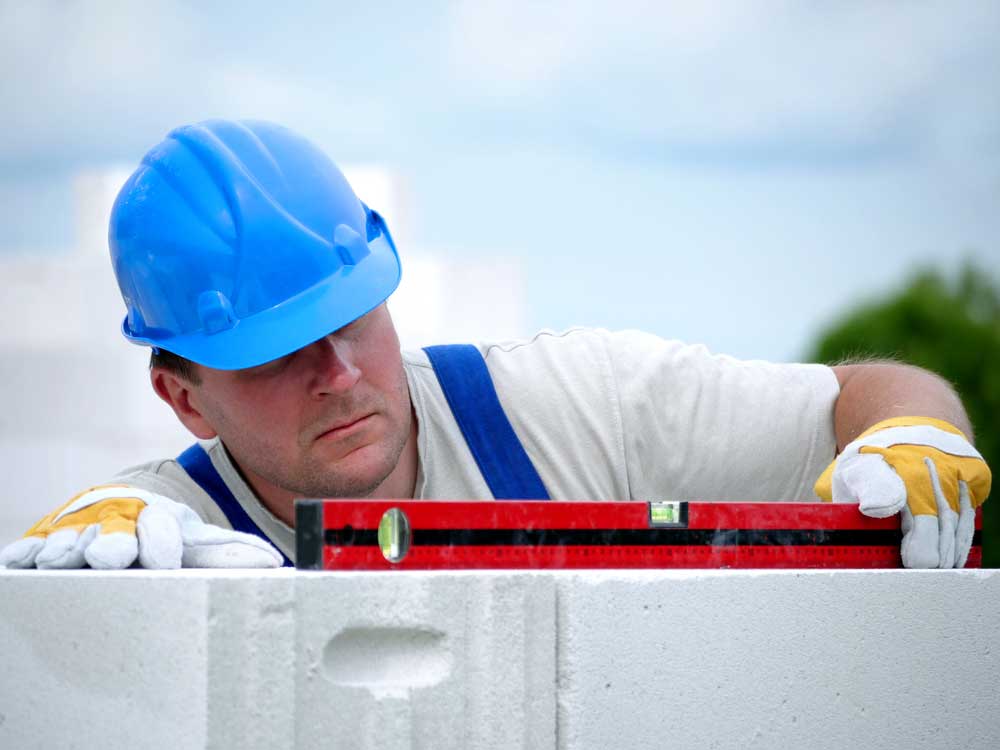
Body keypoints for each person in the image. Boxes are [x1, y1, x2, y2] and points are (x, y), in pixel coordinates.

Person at [0, 119, 991, 571]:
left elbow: (866, 396)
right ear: (183, 399)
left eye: (352, 320)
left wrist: (914, 433)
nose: (339, 375)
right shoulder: (155, 536)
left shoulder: (570, 403)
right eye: (275, 354)